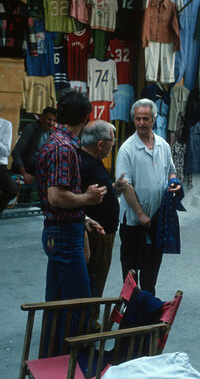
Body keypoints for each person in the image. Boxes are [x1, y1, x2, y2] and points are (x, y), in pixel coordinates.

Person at [36, 89, 106, 355]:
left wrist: (83, 217)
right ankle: (70, 365)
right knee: (78, 306)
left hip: (62, 230)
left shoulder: (56, 142)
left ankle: (49, 363)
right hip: (63, 235)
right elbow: (56, 197)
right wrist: (87, 199)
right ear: (85, 119)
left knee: (56, 304)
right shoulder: (63, 147)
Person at [115, 98, 180, 294]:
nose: (141, 123)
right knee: (131, 274)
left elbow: (171, 170)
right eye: (137, 119)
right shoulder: (127, 149)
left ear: (154, 119)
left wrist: (173, 183)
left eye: (145, 118)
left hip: (157, 221)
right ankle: (129, 313)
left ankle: (147, 312)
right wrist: (141, 214)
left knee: (151, 273)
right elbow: (125, 186)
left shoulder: (163, 145)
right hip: (134, 223)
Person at [79, 120, 128, 296]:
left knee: (96, 283)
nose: (113, 146)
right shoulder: (84, 165)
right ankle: (90, 322)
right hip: (95, 236)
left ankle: (90, 321)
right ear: (100, 144)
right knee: (93, 285)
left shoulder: (92, 160)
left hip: (102, 234)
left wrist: (113, 188)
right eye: (112, 141)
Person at [11, 106, 58, 185]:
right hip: (25, 169)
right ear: (42, 118)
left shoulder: (51, 132)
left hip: (39, 169)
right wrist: (24, 172)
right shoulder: (31, 129)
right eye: (49, 119)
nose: (51, 123)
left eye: (54, 121)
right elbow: (16, 152)